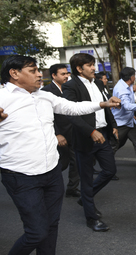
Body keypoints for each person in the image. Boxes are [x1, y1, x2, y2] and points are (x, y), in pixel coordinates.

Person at [0, 55, 120, 254]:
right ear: (14, 73)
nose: (40, 75)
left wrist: (102, 104)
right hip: (21, 176)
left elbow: (72, 107)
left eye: (39, 70)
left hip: (52, 173)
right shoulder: (3, 97)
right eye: (33, 71)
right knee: (36, 232)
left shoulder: (44, 95)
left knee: (51, 226)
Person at [62, 53, 120, 232]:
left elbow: (105, 104)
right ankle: (91, 218)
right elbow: (71, 113)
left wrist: (113, 126)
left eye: (93, 64)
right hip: (86, 138)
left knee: (110, 171)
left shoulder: (97, 83)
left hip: (102, 134)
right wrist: (91, 131)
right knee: (86, 180)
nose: (94, 68)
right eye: (90, 65)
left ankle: (85, 198)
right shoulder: (70, 86)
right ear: (79, 69)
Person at [42, 64, 81, 198]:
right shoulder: (46, 91)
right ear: (54, 75)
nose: (66, 76)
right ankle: (46, 187)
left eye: (67, 73)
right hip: (58, 134)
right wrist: (57, 133)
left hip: (72, 131)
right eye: (63, 74)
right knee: (61, 163)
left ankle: (72, 187)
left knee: (75, 161)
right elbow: (47, 116)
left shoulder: (69, 88)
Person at [111, 67, 136, 180]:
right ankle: (108, 170)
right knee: (114, 146)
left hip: (130, 122)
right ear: (131, 77)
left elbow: (126, 103)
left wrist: (132, 115)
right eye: (134, 76)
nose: (135, 78)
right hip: (121, 123)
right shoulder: (122, 89)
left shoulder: (127, 86)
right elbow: (126, 106)